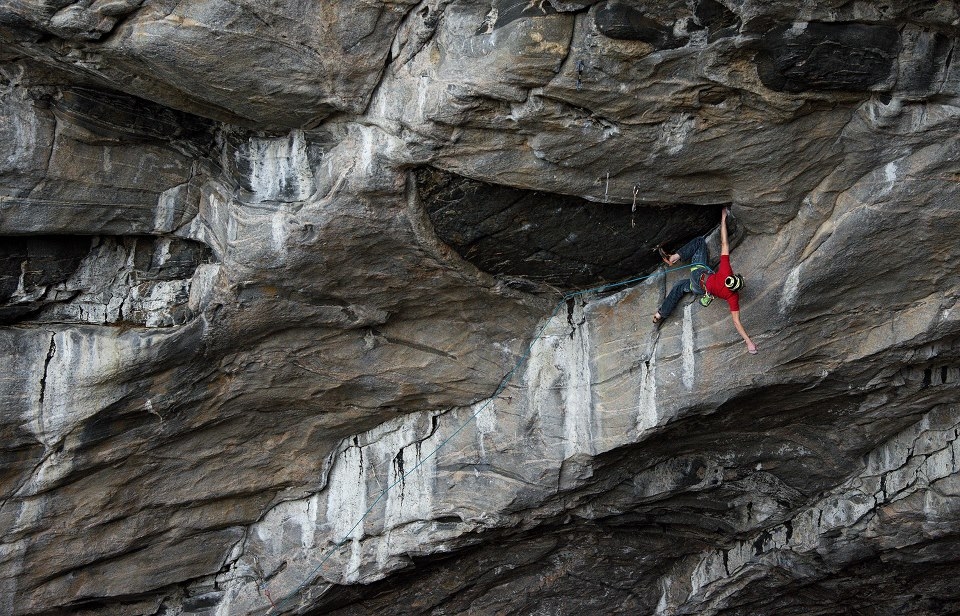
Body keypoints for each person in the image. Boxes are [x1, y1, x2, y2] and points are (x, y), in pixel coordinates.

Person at [651, 208, 758, 354]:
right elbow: (736, 322)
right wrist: (748, 342)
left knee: (699, 242)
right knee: (679, 287)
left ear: (733, 278)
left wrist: (723, 219)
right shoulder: (732, 297)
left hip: (699, 273)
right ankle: (660, 314)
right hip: (699, 289)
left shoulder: (727, 272)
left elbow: (724, 244)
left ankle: (673, 258)